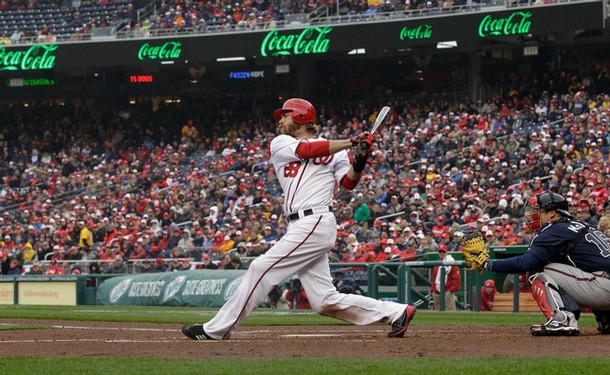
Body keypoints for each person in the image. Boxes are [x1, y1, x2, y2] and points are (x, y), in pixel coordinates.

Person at [182, 98, 415, 341]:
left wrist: (360, 157)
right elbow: (307, 150)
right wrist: (352, 141)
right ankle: (397, 312)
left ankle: (216, 330)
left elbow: (348, 183)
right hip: (302, 224)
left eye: (285, 115)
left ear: (301, 116)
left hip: (315, 220)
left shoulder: (336, 152)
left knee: (259, 268)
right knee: (324, 300)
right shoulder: (281, 143)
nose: (280, 120)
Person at [469, 191, 610, 336]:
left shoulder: (554, 229)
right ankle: (607, 319)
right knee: (573, 265)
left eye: (539, 211)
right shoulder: (581, 224)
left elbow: (525, 263)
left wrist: (487, 263)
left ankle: (563, 319)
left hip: (603, 286)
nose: (533, 215)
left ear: (553, 213)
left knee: (537, 269)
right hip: (602, 281)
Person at [430, 244, 461, 311]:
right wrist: (433, 290)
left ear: (446, 252)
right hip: (437, 291)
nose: (441, 253)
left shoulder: (451, 262)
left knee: (450, 313)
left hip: (447, 291)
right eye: (440, 252)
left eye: (443, 252)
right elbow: (433, 278)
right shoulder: (436, 263)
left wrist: (450, 291)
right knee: (437, 315)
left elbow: (456, 280)